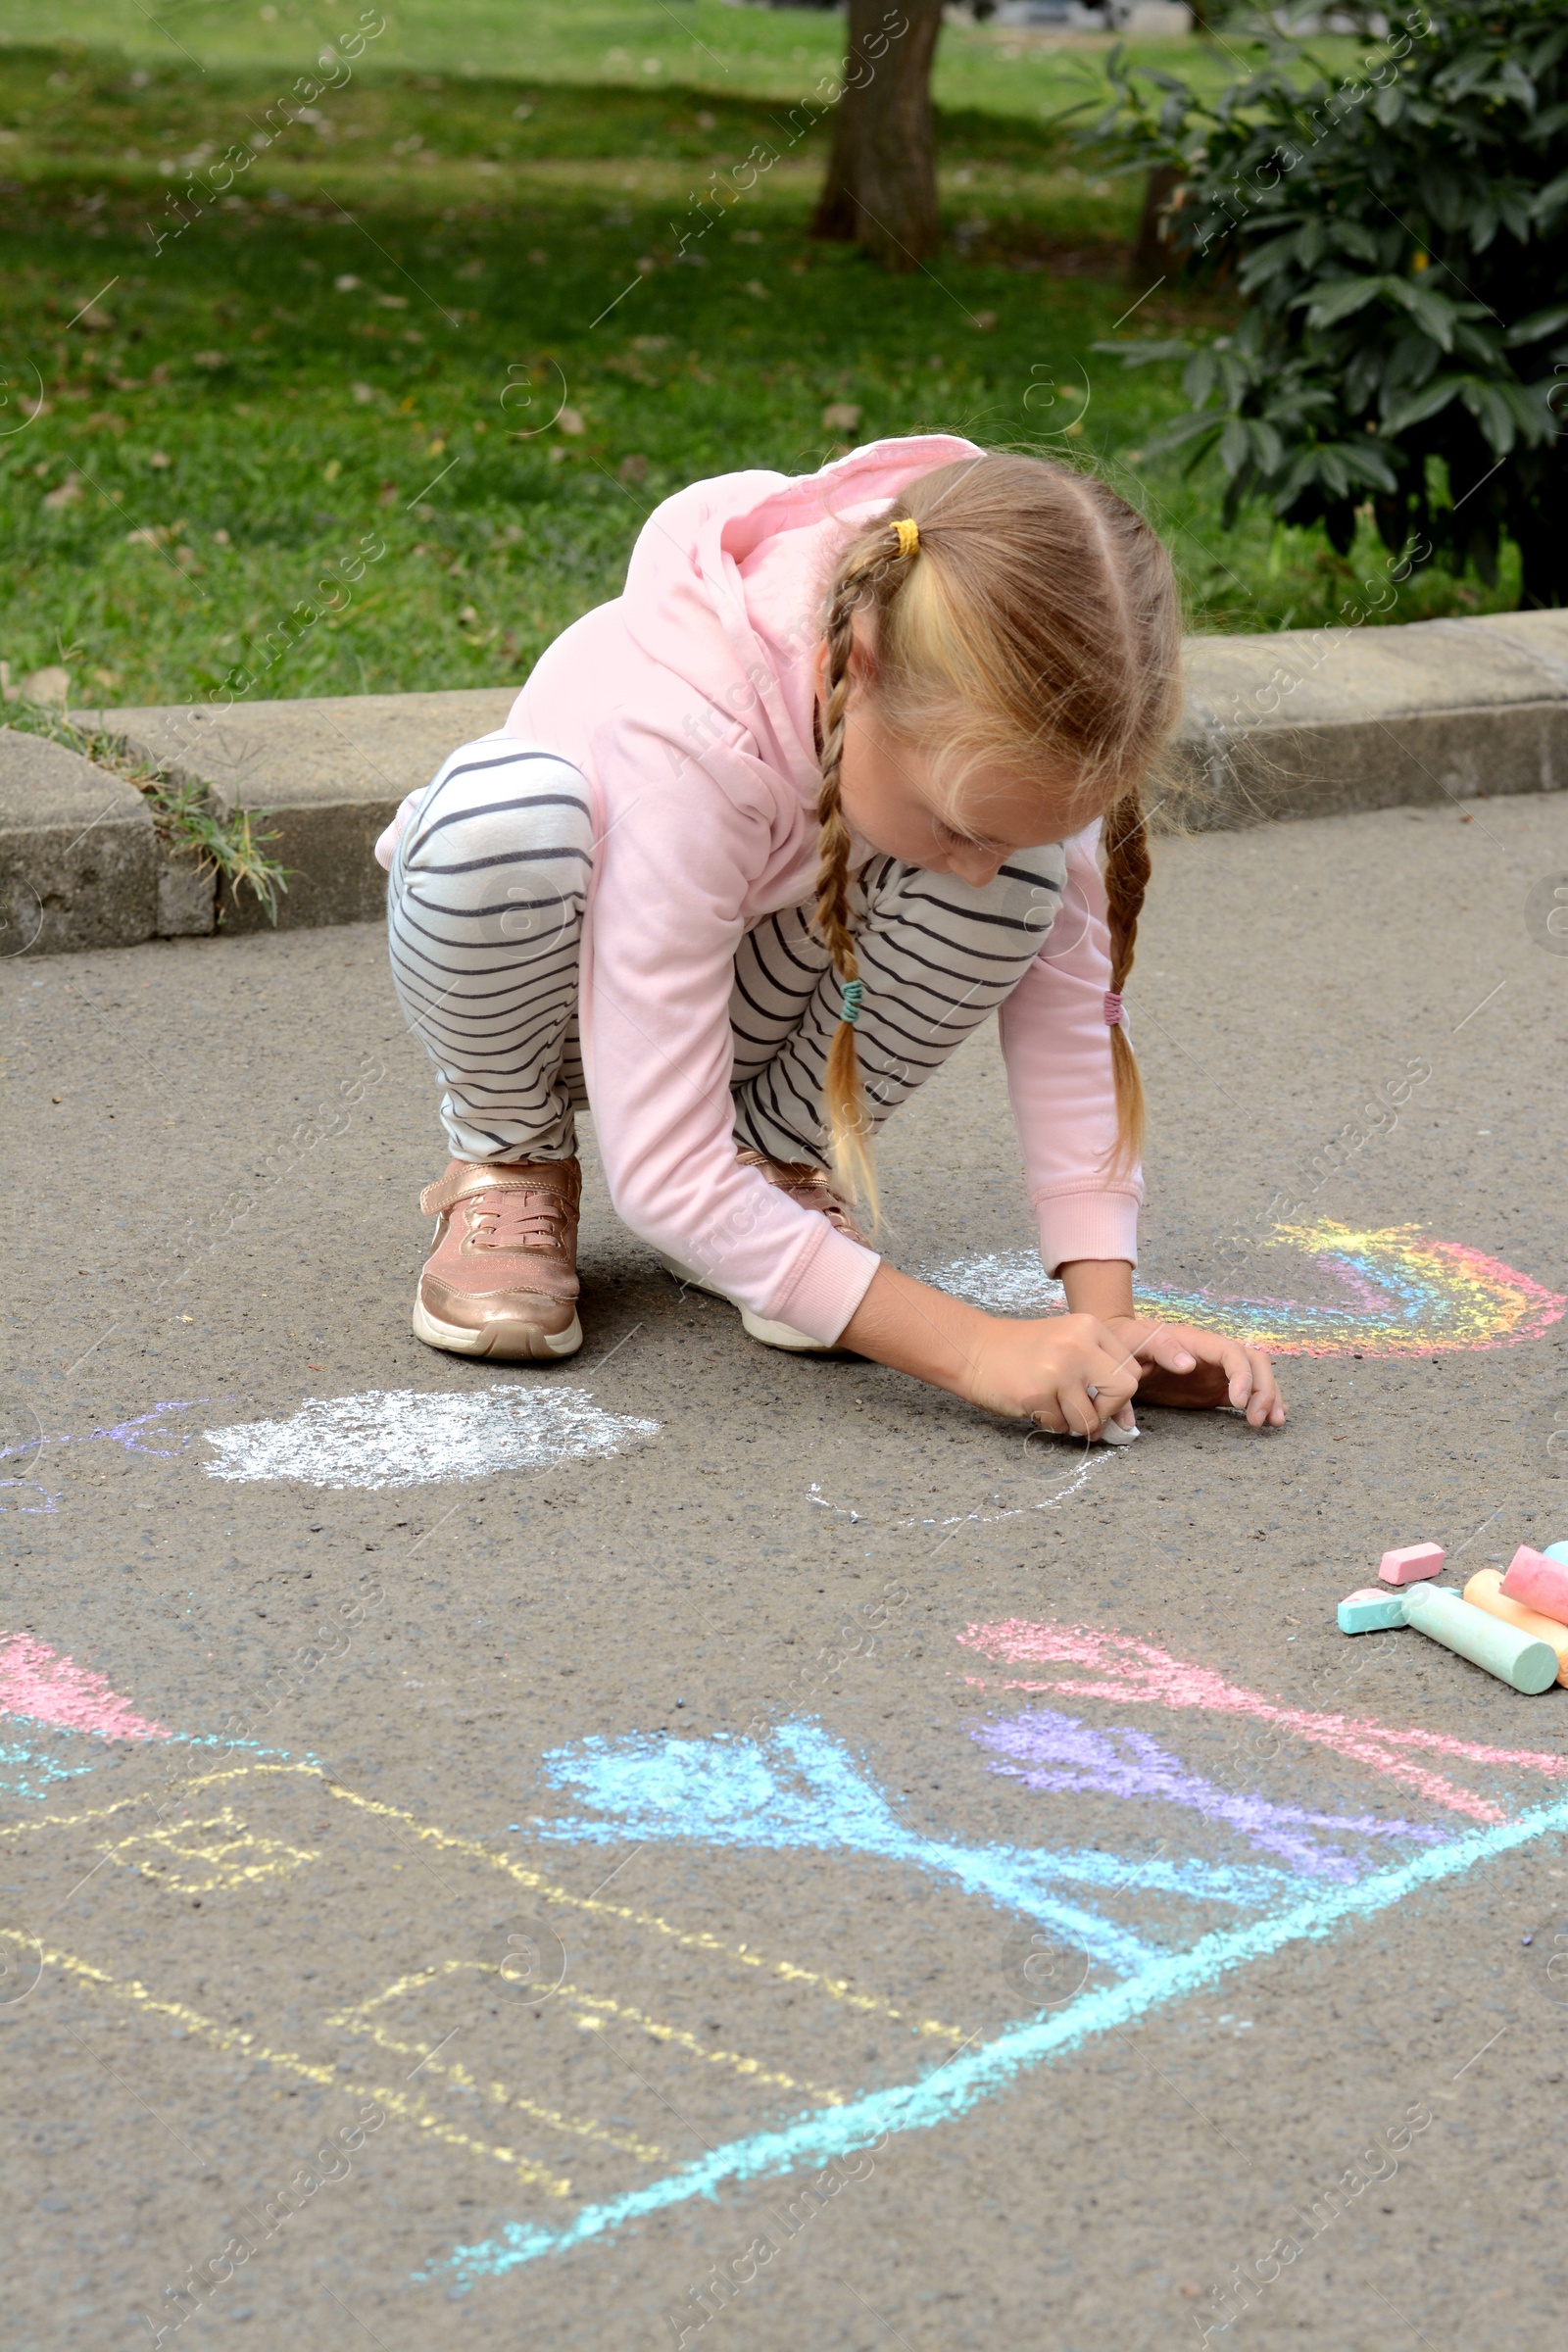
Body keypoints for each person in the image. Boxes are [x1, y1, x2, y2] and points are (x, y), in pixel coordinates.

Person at [374, 436, 1284, 1442]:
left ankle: (768, 1167)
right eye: (958, 827)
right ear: (857, 664)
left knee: (1021, 875)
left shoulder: (1008, 695)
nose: (976, 867)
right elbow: (664, 1178)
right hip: (556, 1007)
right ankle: (511, 1159)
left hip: (743, 999)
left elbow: (1069, 1030)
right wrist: (978, 1351)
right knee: (502, 818)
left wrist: (1106, 1331)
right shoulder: (689, 729)